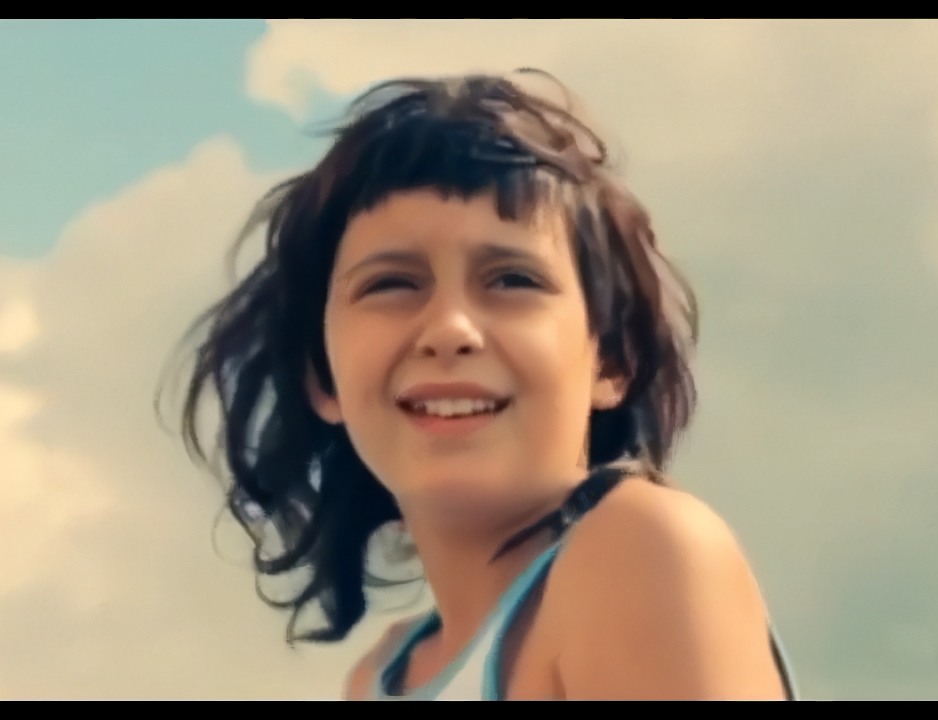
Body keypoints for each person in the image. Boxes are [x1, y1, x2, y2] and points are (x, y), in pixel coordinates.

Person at [167, 68, 797, 700]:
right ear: (323, 377)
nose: (449, 329)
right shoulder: (378, 677)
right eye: (392, 284)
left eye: (513, 280)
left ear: (611, 360)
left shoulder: (642, 549)